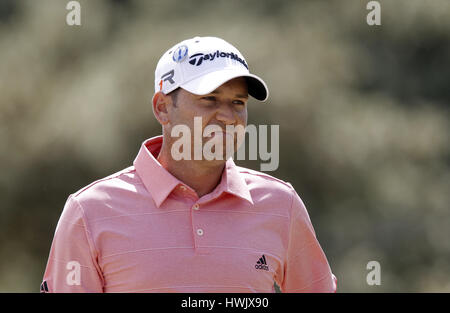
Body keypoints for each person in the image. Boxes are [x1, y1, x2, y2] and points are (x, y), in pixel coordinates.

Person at [41, 36, 337, 293]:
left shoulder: (280, 204)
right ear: (162, 108)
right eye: (209, 99)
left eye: (238, 102)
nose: (228, 116)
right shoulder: (89, 212)